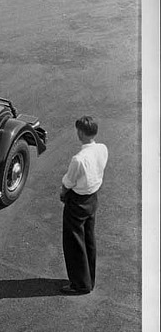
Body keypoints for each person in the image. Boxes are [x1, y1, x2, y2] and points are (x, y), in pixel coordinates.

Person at [59, 116, 108, 295]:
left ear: (80, 133)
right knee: (88, 239)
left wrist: (63, 193)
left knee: (73, 243)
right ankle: (89, 279)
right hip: (92, 199)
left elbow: (68, 182)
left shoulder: (78, 159)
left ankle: (80, 284)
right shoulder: (102, 148)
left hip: (77, 202)